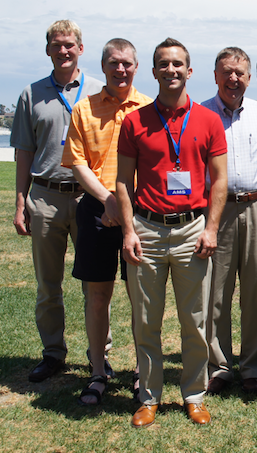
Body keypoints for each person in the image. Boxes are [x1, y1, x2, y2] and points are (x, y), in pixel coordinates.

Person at [116, 38, 228, 428]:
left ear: (189, 71)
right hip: (146, 231)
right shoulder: (135, 121)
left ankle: (194, 394)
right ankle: (149, 396)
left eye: (178, 64)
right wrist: (128, 231)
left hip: (192, 231)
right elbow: (122, 183)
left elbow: (219, 182)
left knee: (195, 320)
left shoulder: (209, 120)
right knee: (145, 320)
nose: (171, 70)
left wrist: (211, 229)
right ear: (154, 71)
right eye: (164, 64)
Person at [11, 19, 105, 383]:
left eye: (70, 44)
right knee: (47, 284)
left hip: (89, 198)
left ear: (81, 49)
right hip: (46, 198)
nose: (64, 50)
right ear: (48, 49)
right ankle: (53, 353)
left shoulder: (99, 91)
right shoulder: (31, 94)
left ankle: (100, 355)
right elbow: (23, 151)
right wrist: (21, 203)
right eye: (57, 45)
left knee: (95, 284)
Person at [61, 38, 151, 405]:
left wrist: (127, 204)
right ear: (103, 66)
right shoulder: (84, 109)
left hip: (141, 213)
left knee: (141, 298)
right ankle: (98, 372)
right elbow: (78, 163)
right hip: (97, 211)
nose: (120, 69)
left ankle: (143, 373)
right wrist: (108, 199)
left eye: (127, 63)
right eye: (114, 63)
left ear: (136, 66)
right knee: (97, 296)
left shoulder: (148, 108)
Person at [202, 47, 257, 395]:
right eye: (227, 72)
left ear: (249, 78)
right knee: (216, 292)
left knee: (256, 292)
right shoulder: (200, 114)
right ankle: (219, 366)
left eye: (240, 73)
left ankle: (253, 368)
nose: (233, 79)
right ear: (215, 75)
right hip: (217, 210)